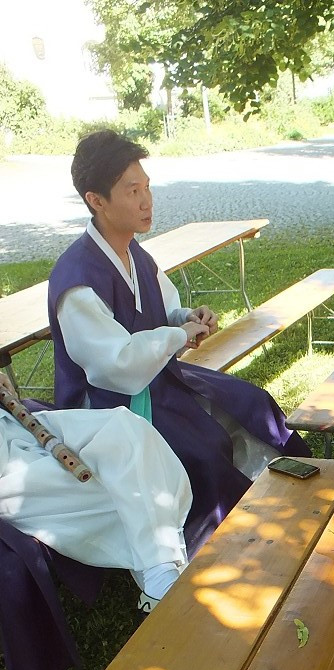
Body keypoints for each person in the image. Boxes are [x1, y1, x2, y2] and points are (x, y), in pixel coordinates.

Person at [48, 130, 310, 556]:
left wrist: (185, 317)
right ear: (96, 200)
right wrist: (177, 335)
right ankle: (224, 548)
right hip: (110, 407)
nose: (146, 201)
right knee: (202, 450)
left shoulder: (136, 255)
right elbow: (114, 366)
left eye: (147, 187)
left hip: (157, 378)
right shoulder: (77, 280)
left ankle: (287, 495)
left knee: (252, 403)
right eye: (133, 191)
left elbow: (161, 309)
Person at [0, 369, 191, 611]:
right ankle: (161, 575)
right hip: (8, 472)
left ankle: (160, 574)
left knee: (124, 428)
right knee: (106, 488)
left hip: (16, 429)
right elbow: (115, 361)